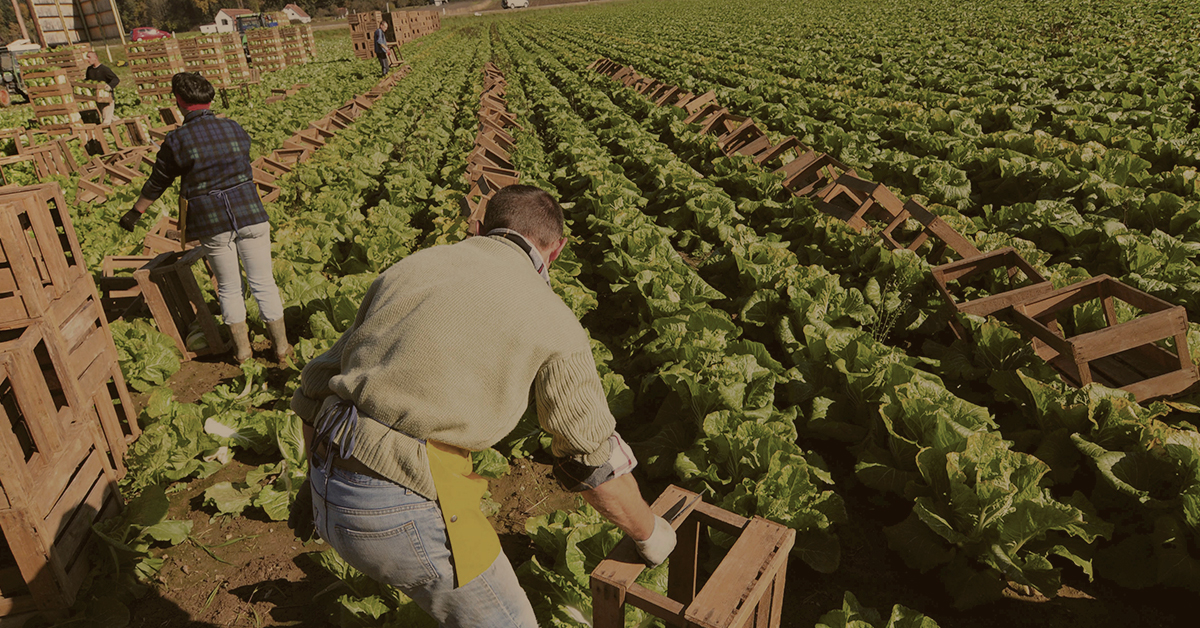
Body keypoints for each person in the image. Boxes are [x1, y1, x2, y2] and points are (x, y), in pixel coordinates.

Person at [289, 185, 676, 628]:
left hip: (327, 481)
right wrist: (649, 534)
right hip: (397, 511)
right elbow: (593, 460)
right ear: (556, 252)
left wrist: (316, 484)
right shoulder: (552, 318)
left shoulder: (414, 267)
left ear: (480, 227)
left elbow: (316, 383)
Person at [119, 72, 291, 364]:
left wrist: (135, 212)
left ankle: (242, 351)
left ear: (179, 102)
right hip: (250, 213)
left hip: (213, 222)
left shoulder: (177, 141)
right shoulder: (234, 128)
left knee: (228, 287)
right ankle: (282, 348)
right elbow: (243, 157)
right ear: (210, 100)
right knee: (263, 282)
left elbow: (158, 182)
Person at [84, 51, 120, 124]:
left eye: (89, 57)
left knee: (106, 120)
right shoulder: (89, 70)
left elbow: (116, 79)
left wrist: (109, 86)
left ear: (95, 58)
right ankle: (124, 123)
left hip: (107, 98)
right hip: (98, 98)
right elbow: (87, 81)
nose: (87, 59)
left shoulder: (104, 69)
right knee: (108, 117)